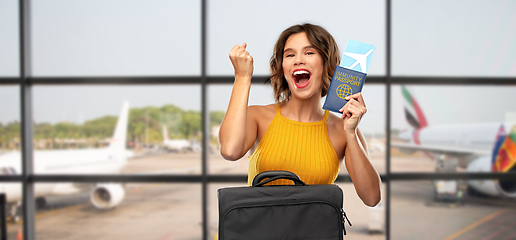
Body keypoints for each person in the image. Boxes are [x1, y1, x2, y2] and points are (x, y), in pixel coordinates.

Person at [219, 23, 381, 207]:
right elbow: (230, 151)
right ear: (283, 68)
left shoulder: (344, 130)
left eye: (309, 52)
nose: (298, 60)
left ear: (326, 64)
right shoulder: (257, 116)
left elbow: (372, 198)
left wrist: (351, 133)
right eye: (289, 54)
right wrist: (242, 77)